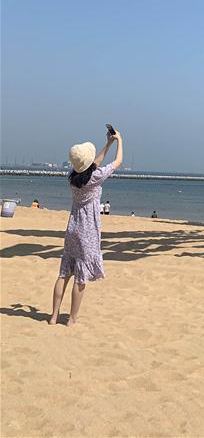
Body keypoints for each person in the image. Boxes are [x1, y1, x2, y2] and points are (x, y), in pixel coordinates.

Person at [48, 128, 123, 327]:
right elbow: (117, 163)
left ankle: (54, 317)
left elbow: (92, 164)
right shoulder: (95, 178)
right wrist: (120, 141)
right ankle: (72, 319)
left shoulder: (72, 176)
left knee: (64, 274)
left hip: (72, 228)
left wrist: (108, 144)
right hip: (87, 231)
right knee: (80, 278)